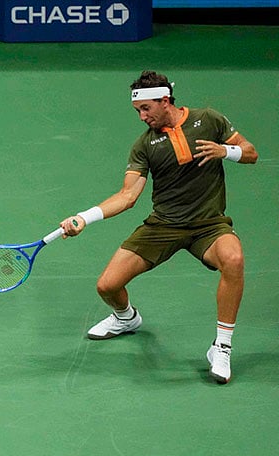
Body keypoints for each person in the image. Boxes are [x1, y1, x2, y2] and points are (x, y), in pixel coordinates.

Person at [59, 70, 258, 384]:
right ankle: (126, 318)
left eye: (145, 108)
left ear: (165, 101)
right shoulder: (145, 145)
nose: (141, 117)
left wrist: (226, 151)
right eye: (137, 110)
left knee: (233, 259)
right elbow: (127, 196)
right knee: (107, 286)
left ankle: (221, 346)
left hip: (209, 225)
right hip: (163, 225)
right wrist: (85, 217)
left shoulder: (209, 120)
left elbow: (251, 153)